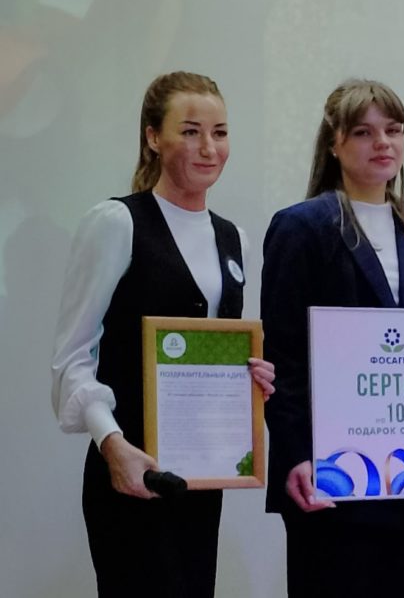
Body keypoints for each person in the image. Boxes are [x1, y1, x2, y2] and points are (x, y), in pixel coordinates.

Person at [50, 71, 275, 597]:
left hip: (202, 473)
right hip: (130, 470)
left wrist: (251, 377)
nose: (209, 148)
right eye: (190, 132)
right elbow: (72, 357)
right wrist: (112, 445)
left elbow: (218, 350)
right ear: (153, 136)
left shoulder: (233, 239)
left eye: (220, 133)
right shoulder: (117, 222)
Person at [261, 79, 404, 597]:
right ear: (334, 143)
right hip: (330, 473)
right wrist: (295, 453)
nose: (383, 143)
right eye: (363, 132)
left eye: (393, 130)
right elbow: (283, 354)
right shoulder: (301, 228)